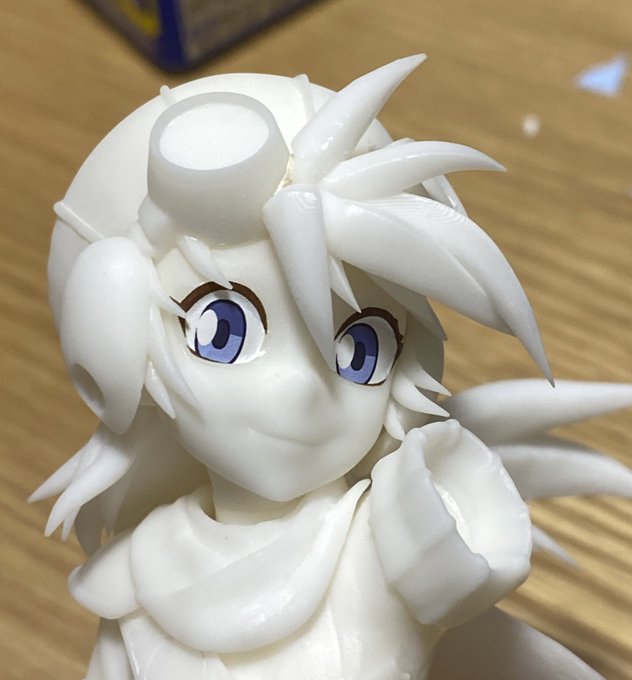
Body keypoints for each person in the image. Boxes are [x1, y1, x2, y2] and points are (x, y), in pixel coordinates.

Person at [33, 56, 632, 679]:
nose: (302, 389)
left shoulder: (389, 558)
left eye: (361, 349)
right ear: (113, 344)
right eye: (222, 330)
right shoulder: (135, 586)